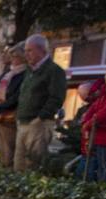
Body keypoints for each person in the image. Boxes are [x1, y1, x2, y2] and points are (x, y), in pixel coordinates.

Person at [14, 34, 66, 172]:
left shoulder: (54, 71)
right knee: (19, 165)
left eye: (29, 50)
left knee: (34, 165)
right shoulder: (29, 71)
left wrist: (41, 117)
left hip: (38, 124)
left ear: (42, 50)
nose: (26, 54)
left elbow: (56, 98)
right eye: (25, 51)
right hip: (23, 123)